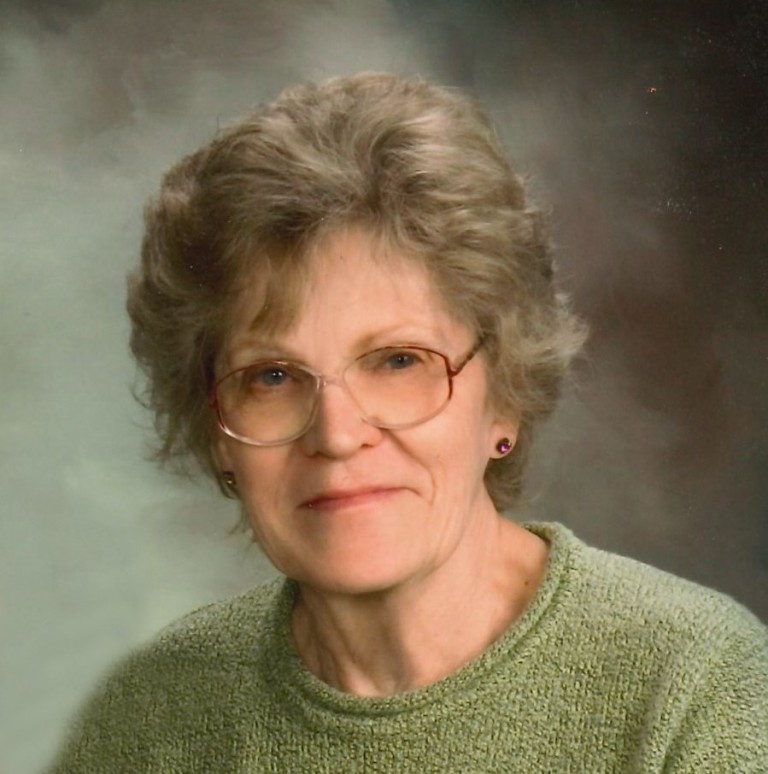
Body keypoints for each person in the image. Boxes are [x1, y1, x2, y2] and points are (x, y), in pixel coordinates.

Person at [49, 73, 767, 772]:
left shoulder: (698, 691)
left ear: (505, 394)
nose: (336, 435)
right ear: (215, 432)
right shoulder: (147, 719)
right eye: (271, 377)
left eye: (398, 361)